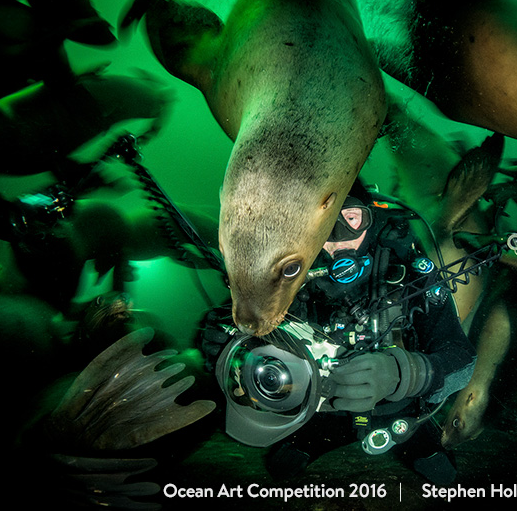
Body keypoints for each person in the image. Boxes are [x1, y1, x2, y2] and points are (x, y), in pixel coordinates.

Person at [201, 182, 477, 485]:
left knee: (443, 473)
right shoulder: (287, 275)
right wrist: (229, 347)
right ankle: (314, 439)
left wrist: (404, 374)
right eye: (323, 224)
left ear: (371, 216)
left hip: (402, 414)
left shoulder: (410, 269)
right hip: (320, 412)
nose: (337, 240)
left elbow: (462, 359)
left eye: (351, 218)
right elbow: (242, 331)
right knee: (281, 465)